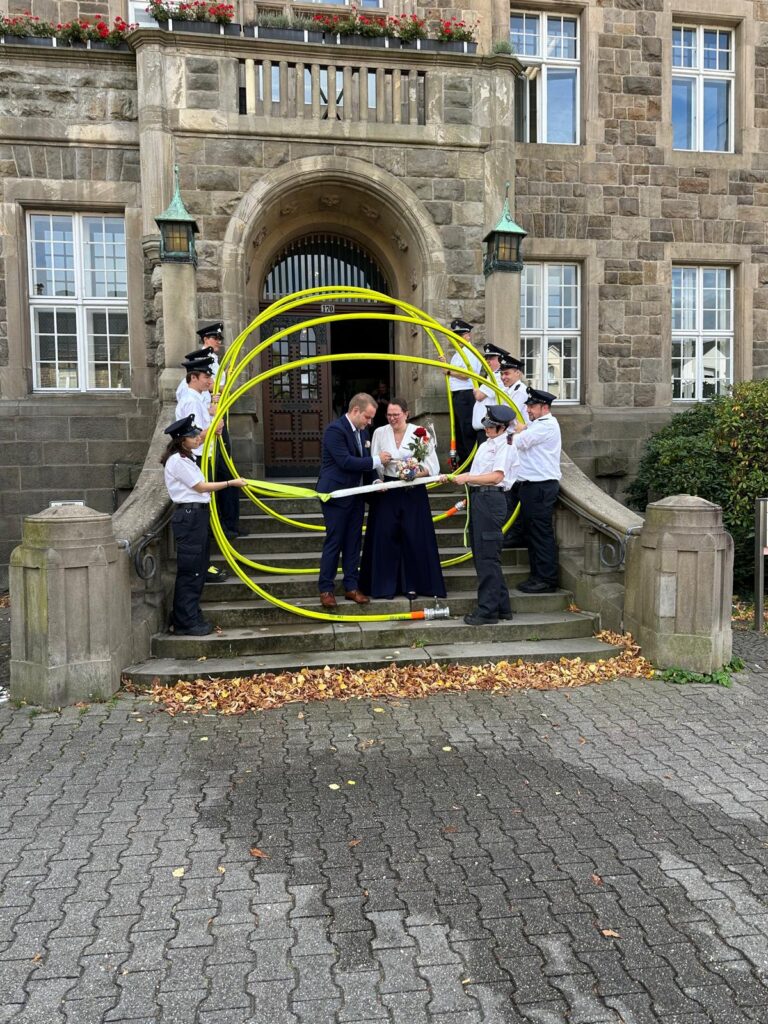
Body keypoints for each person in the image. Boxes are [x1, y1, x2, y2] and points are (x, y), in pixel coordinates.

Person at [161, 415, 247, 636]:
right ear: (182, 440)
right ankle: (185, 622)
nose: (197, 438)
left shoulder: (186, 458)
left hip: (195, 516)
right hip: (190, 517)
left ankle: (189, 616)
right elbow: (200, 487)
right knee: (191, 571)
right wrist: (230, 483)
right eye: (192, 436)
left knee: (198, 569)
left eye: (196, 434)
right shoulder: (178, 461)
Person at [358, 399, 446, 600]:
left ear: (406, 414)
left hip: (413, 490)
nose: (392, 418)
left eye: (396, 414)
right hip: (387, 489)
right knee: (385, 536)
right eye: (389, 415)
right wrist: (378, 480)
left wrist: (415, 472)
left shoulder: (420, 432)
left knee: (413, 537)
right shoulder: (380, 432)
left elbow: (432, 465)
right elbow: (374, 462)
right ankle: (384, 585)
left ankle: (413, 585)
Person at [440, 405, 517, 625]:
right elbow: (479, 475)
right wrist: (467, 486)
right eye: (486, 424)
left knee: (487, 557)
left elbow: (495, 477)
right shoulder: (488, 444)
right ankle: (502, 607)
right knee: (483, 554)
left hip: (492, 498)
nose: (487, 429)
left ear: (502, 427)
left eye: (491, 426)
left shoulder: (506, 445)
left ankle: (487, 611)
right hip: (480, 498)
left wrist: (465, 478)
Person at [316, 393, 393, 609]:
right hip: (336, 495)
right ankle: (326, 589)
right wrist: (377, 460)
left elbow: (364, 466)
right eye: (367, 417)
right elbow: (346, 462)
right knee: (335, 541)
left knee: (353, 542)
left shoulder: (362, 432)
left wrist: (376, 479)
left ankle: (351, 586)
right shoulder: (335, 430)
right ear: (355, 411)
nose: (369, 422)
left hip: (356, 494)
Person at [510, 388, 562, 593]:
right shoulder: (537, 425)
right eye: (528, 405)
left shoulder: (546, 426)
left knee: (541, 534)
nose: (528, 409)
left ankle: (546, 579)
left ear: (544, 407)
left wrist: (508, 433)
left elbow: (517, 442)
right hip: (531, 486)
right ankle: (537, 576)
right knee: (533, 533)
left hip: (540, 486)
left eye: (532, 406)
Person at [444, 318, 483, 468]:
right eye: (455, 336)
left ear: (468, 336)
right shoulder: (457, 354)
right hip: (458, 395)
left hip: (466, 395)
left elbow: (466, 374)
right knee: (460, 433)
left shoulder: (469, 352)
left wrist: (447, 370)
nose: (457, 339)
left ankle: (472, 467)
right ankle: (464, 467)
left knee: (467, 432)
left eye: (460, 335)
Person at [471, 342, 511, 438]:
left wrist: (476, 389)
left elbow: (479, 396)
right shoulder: (491, 376)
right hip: (485, 428)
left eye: (492, 359)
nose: (487, 361)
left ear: (500, 360)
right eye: (486, 359)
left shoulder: (497, 377)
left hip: (490, 428)